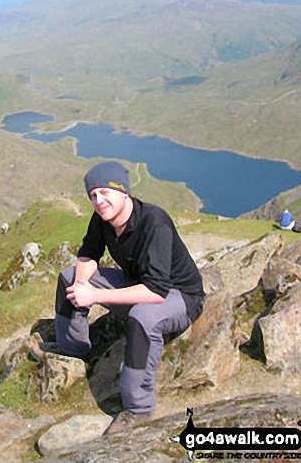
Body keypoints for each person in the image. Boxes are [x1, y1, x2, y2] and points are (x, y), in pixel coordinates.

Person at [40, 160, 205, 435]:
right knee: (69, 277)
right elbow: (88, 254)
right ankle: (73, 349)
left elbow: (156, 290)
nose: (99, 200)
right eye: (93, 195)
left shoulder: (155, 222)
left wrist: (94, 294)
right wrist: (81, 285)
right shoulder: (102, 219)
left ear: (124, 192)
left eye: (105, 192)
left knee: (142, 318)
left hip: (180, 297)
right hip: (137, 283)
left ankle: (137, 410)